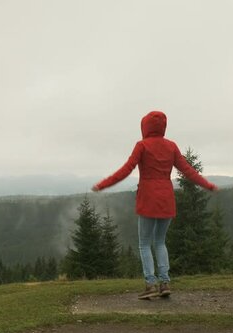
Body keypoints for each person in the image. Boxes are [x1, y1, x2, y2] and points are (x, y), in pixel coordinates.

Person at [92, 110, 217, 299]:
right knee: (160, 242)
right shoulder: (171, 146)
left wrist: (103, 184)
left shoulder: (142, 145)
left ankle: (150, 285)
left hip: (148, 198)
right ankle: (165, 283)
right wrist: (207, 185)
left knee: (144, 244)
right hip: (166, 198)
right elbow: (188, 171)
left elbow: (126, 169)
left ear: (145, 126)